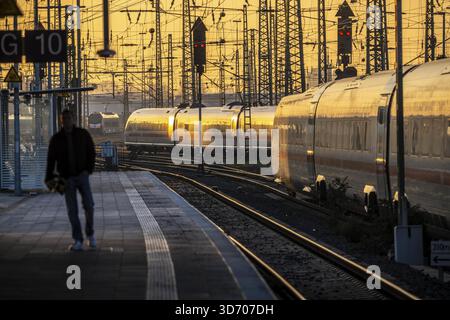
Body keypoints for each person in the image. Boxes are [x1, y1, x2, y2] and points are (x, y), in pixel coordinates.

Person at [45, 109, 96, 251]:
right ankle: (78, 239)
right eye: (64, 118)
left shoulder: (83, 135)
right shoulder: (56, 139)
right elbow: (51, 160)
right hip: (66, 178)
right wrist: (49, 177)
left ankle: (90, 234)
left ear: (74, 119)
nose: (66, 120)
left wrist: (88, 170)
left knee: (89, 206)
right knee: (72, 210)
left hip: (82, 175)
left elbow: (91, 152)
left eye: (69, 118)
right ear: (61, 120)